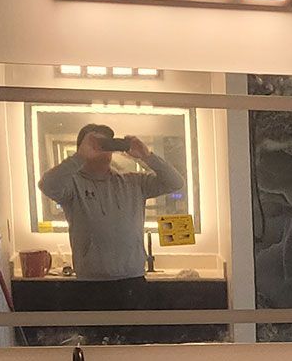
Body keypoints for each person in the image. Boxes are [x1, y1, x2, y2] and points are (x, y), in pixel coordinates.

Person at [37, 123, 186, 309]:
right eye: (96, 143)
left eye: (106, 143)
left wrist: (147, 156)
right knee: (96, 338)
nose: (102, 149)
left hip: (133, 281)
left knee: (137, 338)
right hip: (91, 284)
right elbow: (47, 185)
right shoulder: (72, 186)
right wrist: (80, 157)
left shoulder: (133, 182)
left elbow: (175, 183)